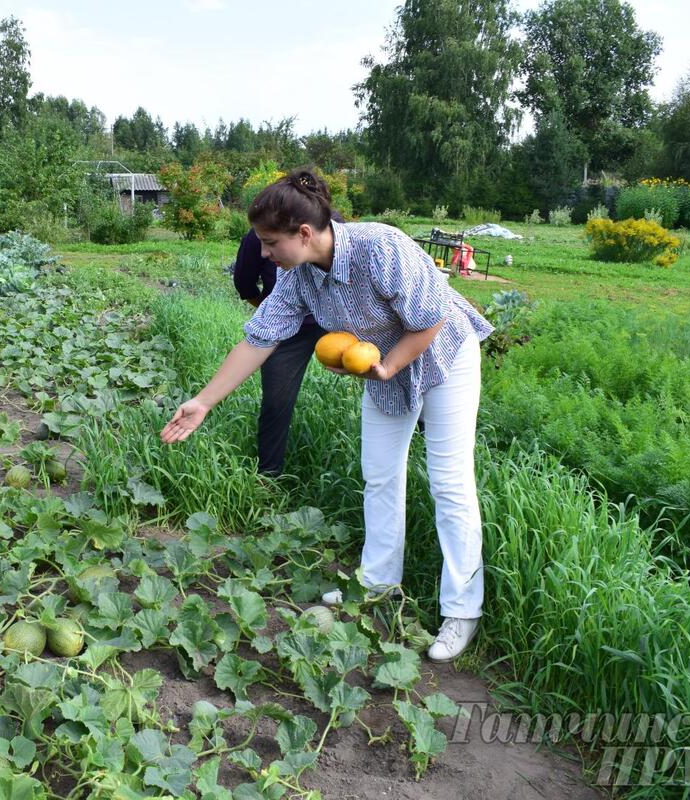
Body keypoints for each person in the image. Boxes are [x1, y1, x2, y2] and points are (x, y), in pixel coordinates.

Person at [161, 169, 493, 662]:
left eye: (271, 243)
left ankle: (462, 611)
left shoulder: (380, 247)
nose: (265, 254)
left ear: (304, 233)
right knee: (379, 474)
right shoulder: (298, 280)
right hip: (383, 364)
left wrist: (388, 367)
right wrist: (204, 401)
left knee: (448, 481)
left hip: (443, 356)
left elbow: (431, 318)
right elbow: (259, 338)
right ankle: (377, 584)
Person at [233, 222, 332, 476]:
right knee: (277, 400)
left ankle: (418, 426)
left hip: (335, 321)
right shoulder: (267, 233)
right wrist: (272, 312)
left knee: (381, 373)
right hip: (287, 328)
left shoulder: (340, 231)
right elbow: (245, 283)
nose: (266, 252)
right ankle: (269, 474)